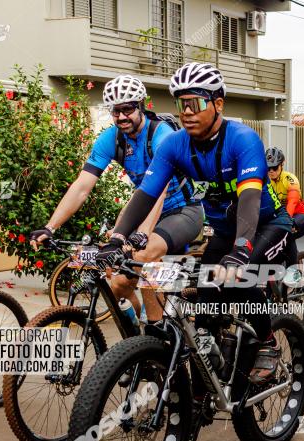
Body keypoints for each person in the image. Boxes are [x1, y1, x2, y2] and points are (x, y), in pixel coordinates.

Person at [96, 63, 292, 384]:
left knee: (237, 279)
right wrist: (117, 238)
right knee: (204, 312)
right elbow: (145, 195)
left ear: (218, 104)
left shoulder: (243, 139)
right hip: (225, 232)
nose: (186, 112)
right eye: (181, 104)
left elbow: (249, 201)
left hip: (265, 226)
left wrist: (242, 249)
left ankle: (267, 340)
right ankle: (205, 385)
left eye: (195, 103)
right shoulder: (175, 144)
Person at [30, 74, 202, 322]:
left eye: (127, 109)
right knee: (118, 284)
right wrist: (50, 226)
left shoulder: (162, 135)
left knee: (143, 256)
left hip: (182, 211)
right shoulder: (111, 139)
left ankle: (158, 338)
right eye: (115, 111)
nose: (121, 117)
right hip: (144, 208)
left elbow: (160, 190)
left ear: (141, 105)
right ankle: (137, 340)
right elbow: (82, 186)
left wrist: (141, 234)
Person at [265, 147, 304, 272]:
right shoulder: (265, 180)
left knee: (288, 233)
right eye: (268, 168)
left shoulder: (289, 179)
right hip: (280, 215)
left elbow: (293, 201)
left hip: (298, 214)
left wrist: (287, 220)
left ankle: (294, 273)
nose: (271, 171)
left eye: (275, 168)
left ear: (282, 165)